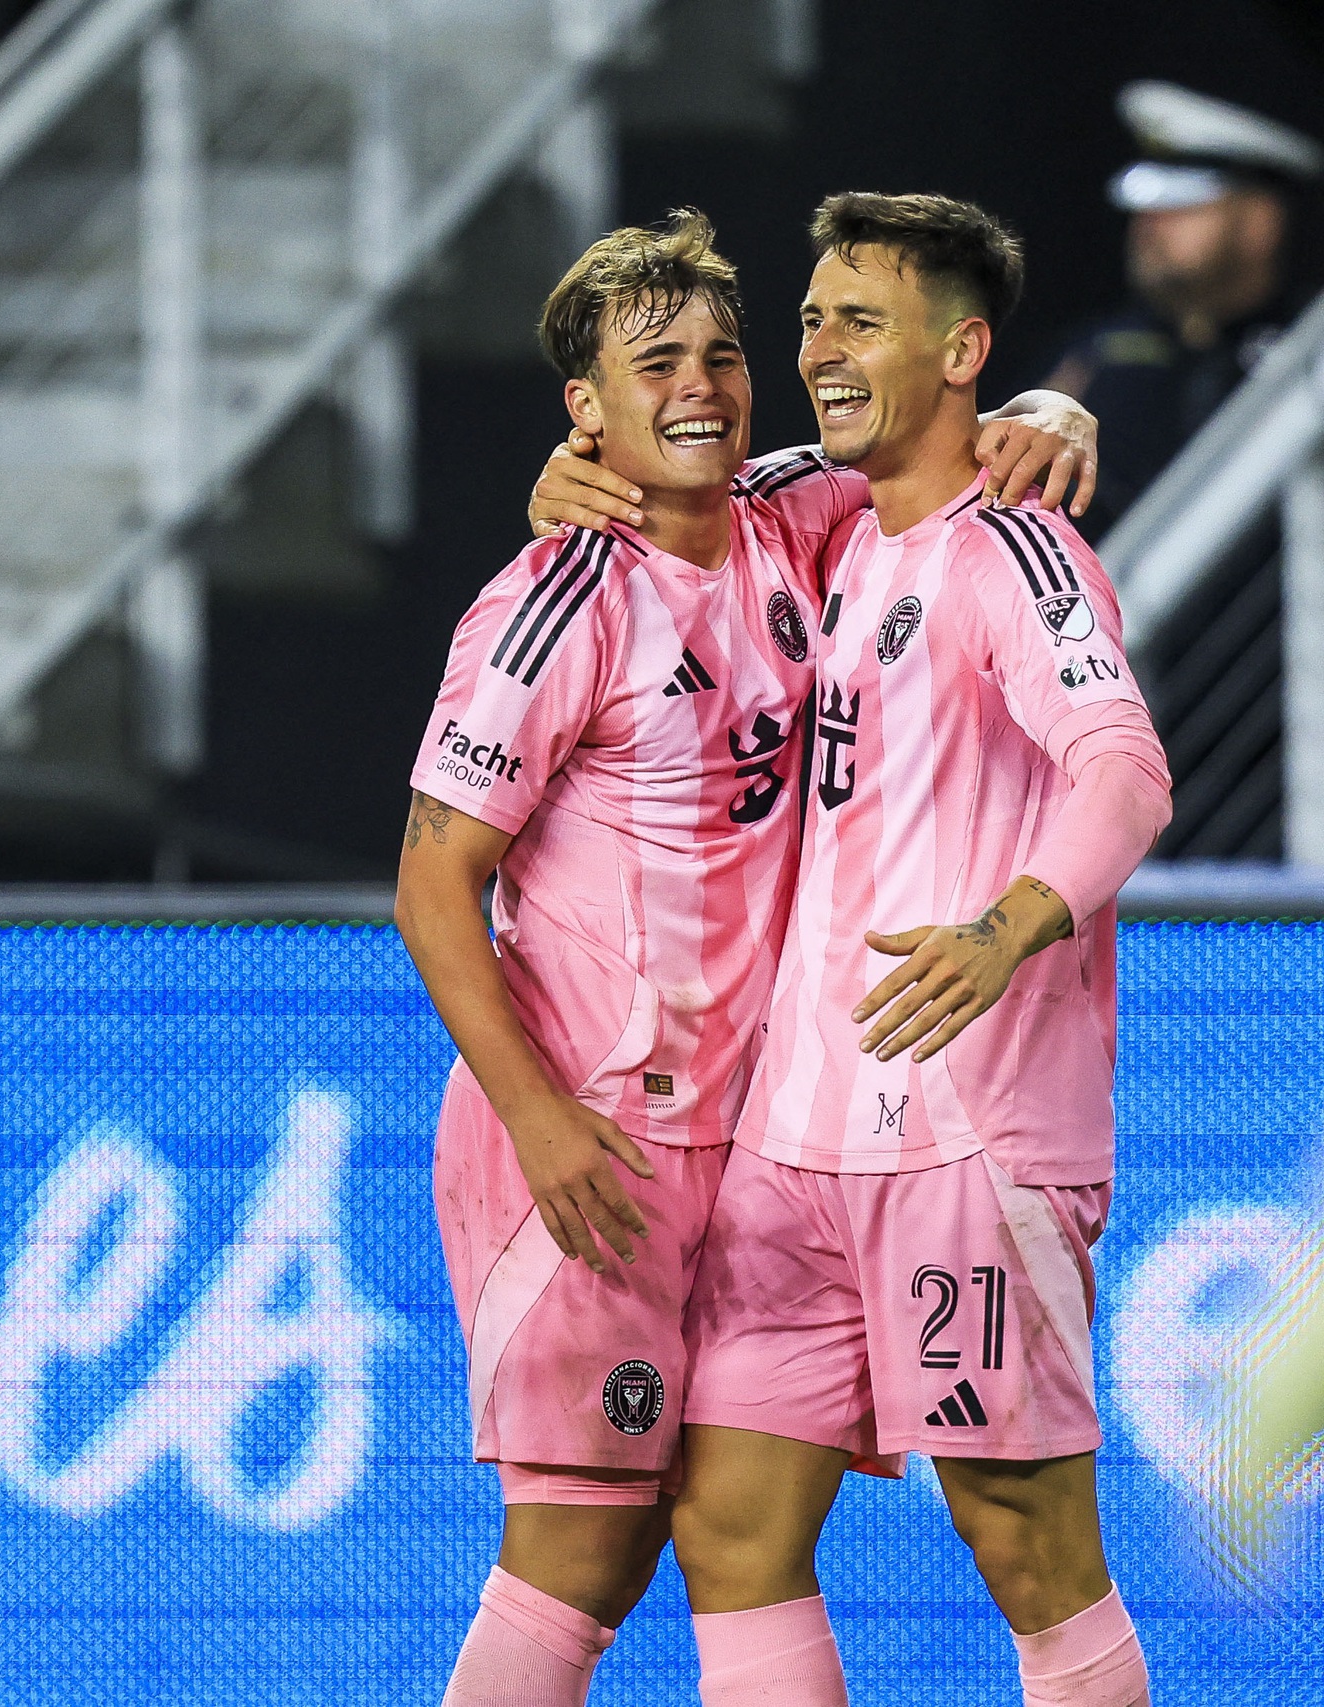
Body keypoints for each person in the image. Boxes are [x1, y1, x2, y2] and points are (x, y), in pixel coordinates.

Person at [394, 211, 1095, 1707]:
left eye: (723, 352)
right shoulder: (556, 597)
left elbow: (927, 449)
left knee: (719, 1529)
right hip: (587, 1130)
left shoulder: (793, 520)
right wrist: (535, 1118)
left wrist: (1047, 410)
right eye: (656, 365)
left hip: (754, 1134)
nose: (703, 384)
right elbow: (431, 882)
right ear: (585, 406)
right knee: (577, 1550)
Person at [663, 195, 1169, 1707]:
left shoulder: (1012, 549)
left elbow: (1126, 771)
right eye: (811, 316)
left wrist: (1007, 928)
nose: (817, 347)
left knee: (1023, 1542)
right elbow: (682, 476)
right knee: (728, 1524)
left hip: (966, 1138)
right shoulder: (830, 532)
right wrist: (574, 475)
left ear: (962, 352)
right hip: (796, 1141)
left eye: (858, 320)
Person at [1044, 81, 1321, 533]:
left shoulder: (1311, 347)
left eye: (1182, 202)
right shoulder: (1091, 355)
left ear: (1259, 222)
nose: (1150, 222)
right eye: (1147, 202)